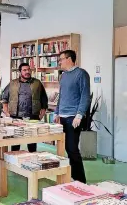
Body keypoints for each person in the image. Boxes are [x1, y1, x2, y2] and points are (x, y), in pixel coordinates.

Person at [54, 50, 89, 183]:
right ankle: (72, 177)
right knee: (66, 149)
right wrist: (57, 112)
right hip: (62, 117)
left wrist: (79, 115)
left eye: (61, 59)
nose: (60, 62)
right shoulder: (63, 76)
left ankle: (81, 180)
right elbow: (61, 96)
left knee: (72, 149)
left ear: (69, 59)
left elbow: (85, 96)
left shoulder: (81, 74)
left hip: (73, 117)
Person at [2, 62, 48, 152]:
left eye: (28, 69)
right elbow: (4, 98)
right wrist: (7, 112)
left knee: (32, 141)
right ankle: (14, 158)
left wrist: (41, 114)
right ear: (20, 72)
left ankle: (33, 158)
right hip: (15, 116)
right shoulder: (12, 83)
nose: (27, 72)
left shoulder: (37, 83)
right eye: (24, 70)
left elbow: (44, 99)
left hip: (32, 116)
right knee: (15, 141)